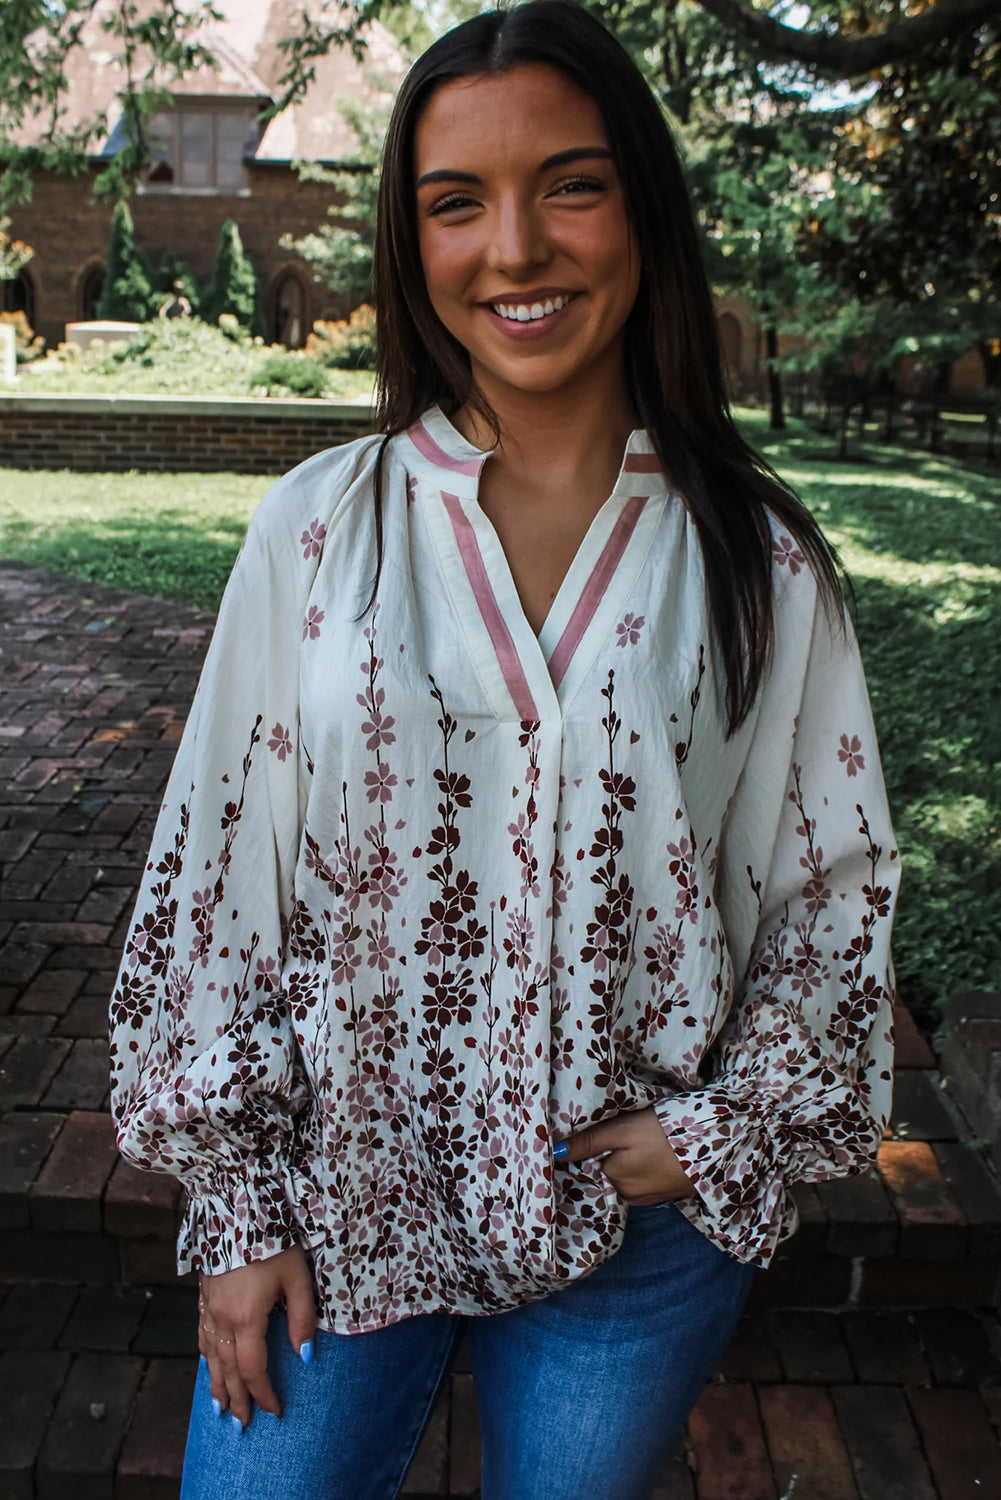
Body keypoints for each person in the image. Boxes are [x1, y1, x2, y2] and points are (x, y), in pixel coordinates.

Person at [108, 4, 899, 1497]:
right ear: (412, 249)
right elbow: (218, 884)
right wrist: (241, 1208)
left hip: (634, 1229)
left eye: (571, 185)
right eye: (455, 203)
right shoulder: (322, 530)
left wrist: (725, 1126)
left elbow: (835, 888)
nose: (514, 248)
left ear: (643, 215)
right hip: (338, 1209)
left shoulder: (761, 562)